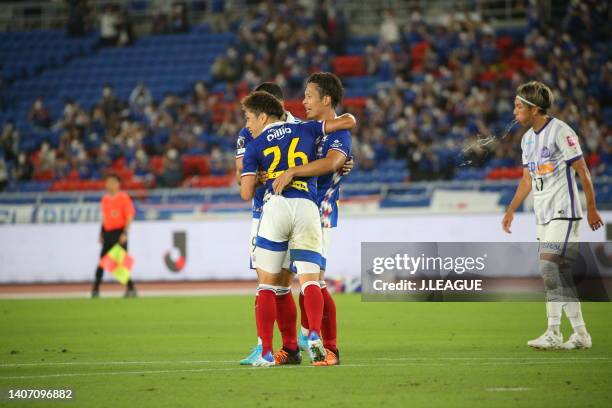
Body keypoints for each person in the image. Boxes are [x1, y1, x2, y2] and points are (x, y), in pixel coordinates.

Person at [239, 91, 356, 366]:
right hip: (307, 206)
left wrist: (269, 176)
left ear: (263, 116)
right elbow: (347, 122)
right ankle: (310, 335)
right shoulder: (305, 128)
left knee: (268, 285)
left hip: (280, 207)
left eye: (249, 118)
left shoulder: (255, 144)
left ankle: (267, 351)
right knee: (311, 281)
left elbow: (245, 192)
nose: (247, 125)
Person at [501, 81, 603, 350]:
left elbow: (583, 170)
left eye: (519, 106)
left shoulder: (560, 131)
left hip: (564, 212)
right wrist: (511, 209)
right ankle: (581, 334)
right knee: (560, 274)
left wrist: (591, 207)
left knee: (548, 267)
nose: (514, 111)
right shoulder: (526, 140)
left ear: (534, 109)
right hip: (543, 215)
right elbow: (527, 179)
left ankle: (553, 332)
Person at [272, 72, 352, 366]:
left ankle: (329, 348)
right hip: (294, 211)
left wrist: (294, 171)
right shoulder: (307, 128)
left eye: (308, 96)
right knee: (293, 282)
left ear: (326, 99)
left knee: (314, 281)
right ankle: (295, 346)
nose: (303, 101)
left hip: (320, 213)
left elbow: (332, 162)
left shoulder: (339, 134)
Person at [234, 82, 302, 366]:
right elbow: (241, 174)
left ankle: (282, 346)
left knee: (280, 284)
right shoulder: (247, 133)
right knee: (270, 283)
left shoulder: (299, 126)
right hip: (263, 212)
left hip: (288, 210)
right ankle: (269, 344)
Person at [92, 173, 138, 298]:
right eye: (108, 182)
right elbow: (105, 218)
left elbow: (129, 216)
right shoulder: (105, 199)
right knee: (102, 261)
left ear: (118, 184)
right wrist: (101, 232)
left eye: (112, 182)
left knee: (121, 263)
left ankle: (131, 288)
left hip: (119, 233)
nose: (110, 184)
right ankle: (95, 288)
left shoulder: (124, 197)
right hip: (108, 233)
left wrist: (125, 233)